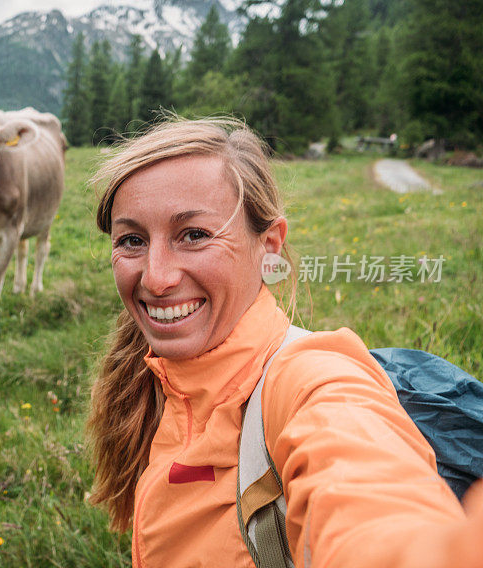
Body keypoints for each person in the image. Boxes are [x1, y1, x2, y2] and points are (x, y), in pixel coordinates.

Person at [86, 118, 483, 568]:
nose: (156, 278)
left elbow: (369, 493)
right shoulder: (152, 382)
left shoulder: (312, 379)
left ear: (270, 246)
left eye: (194, 235)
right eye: (132, 240)